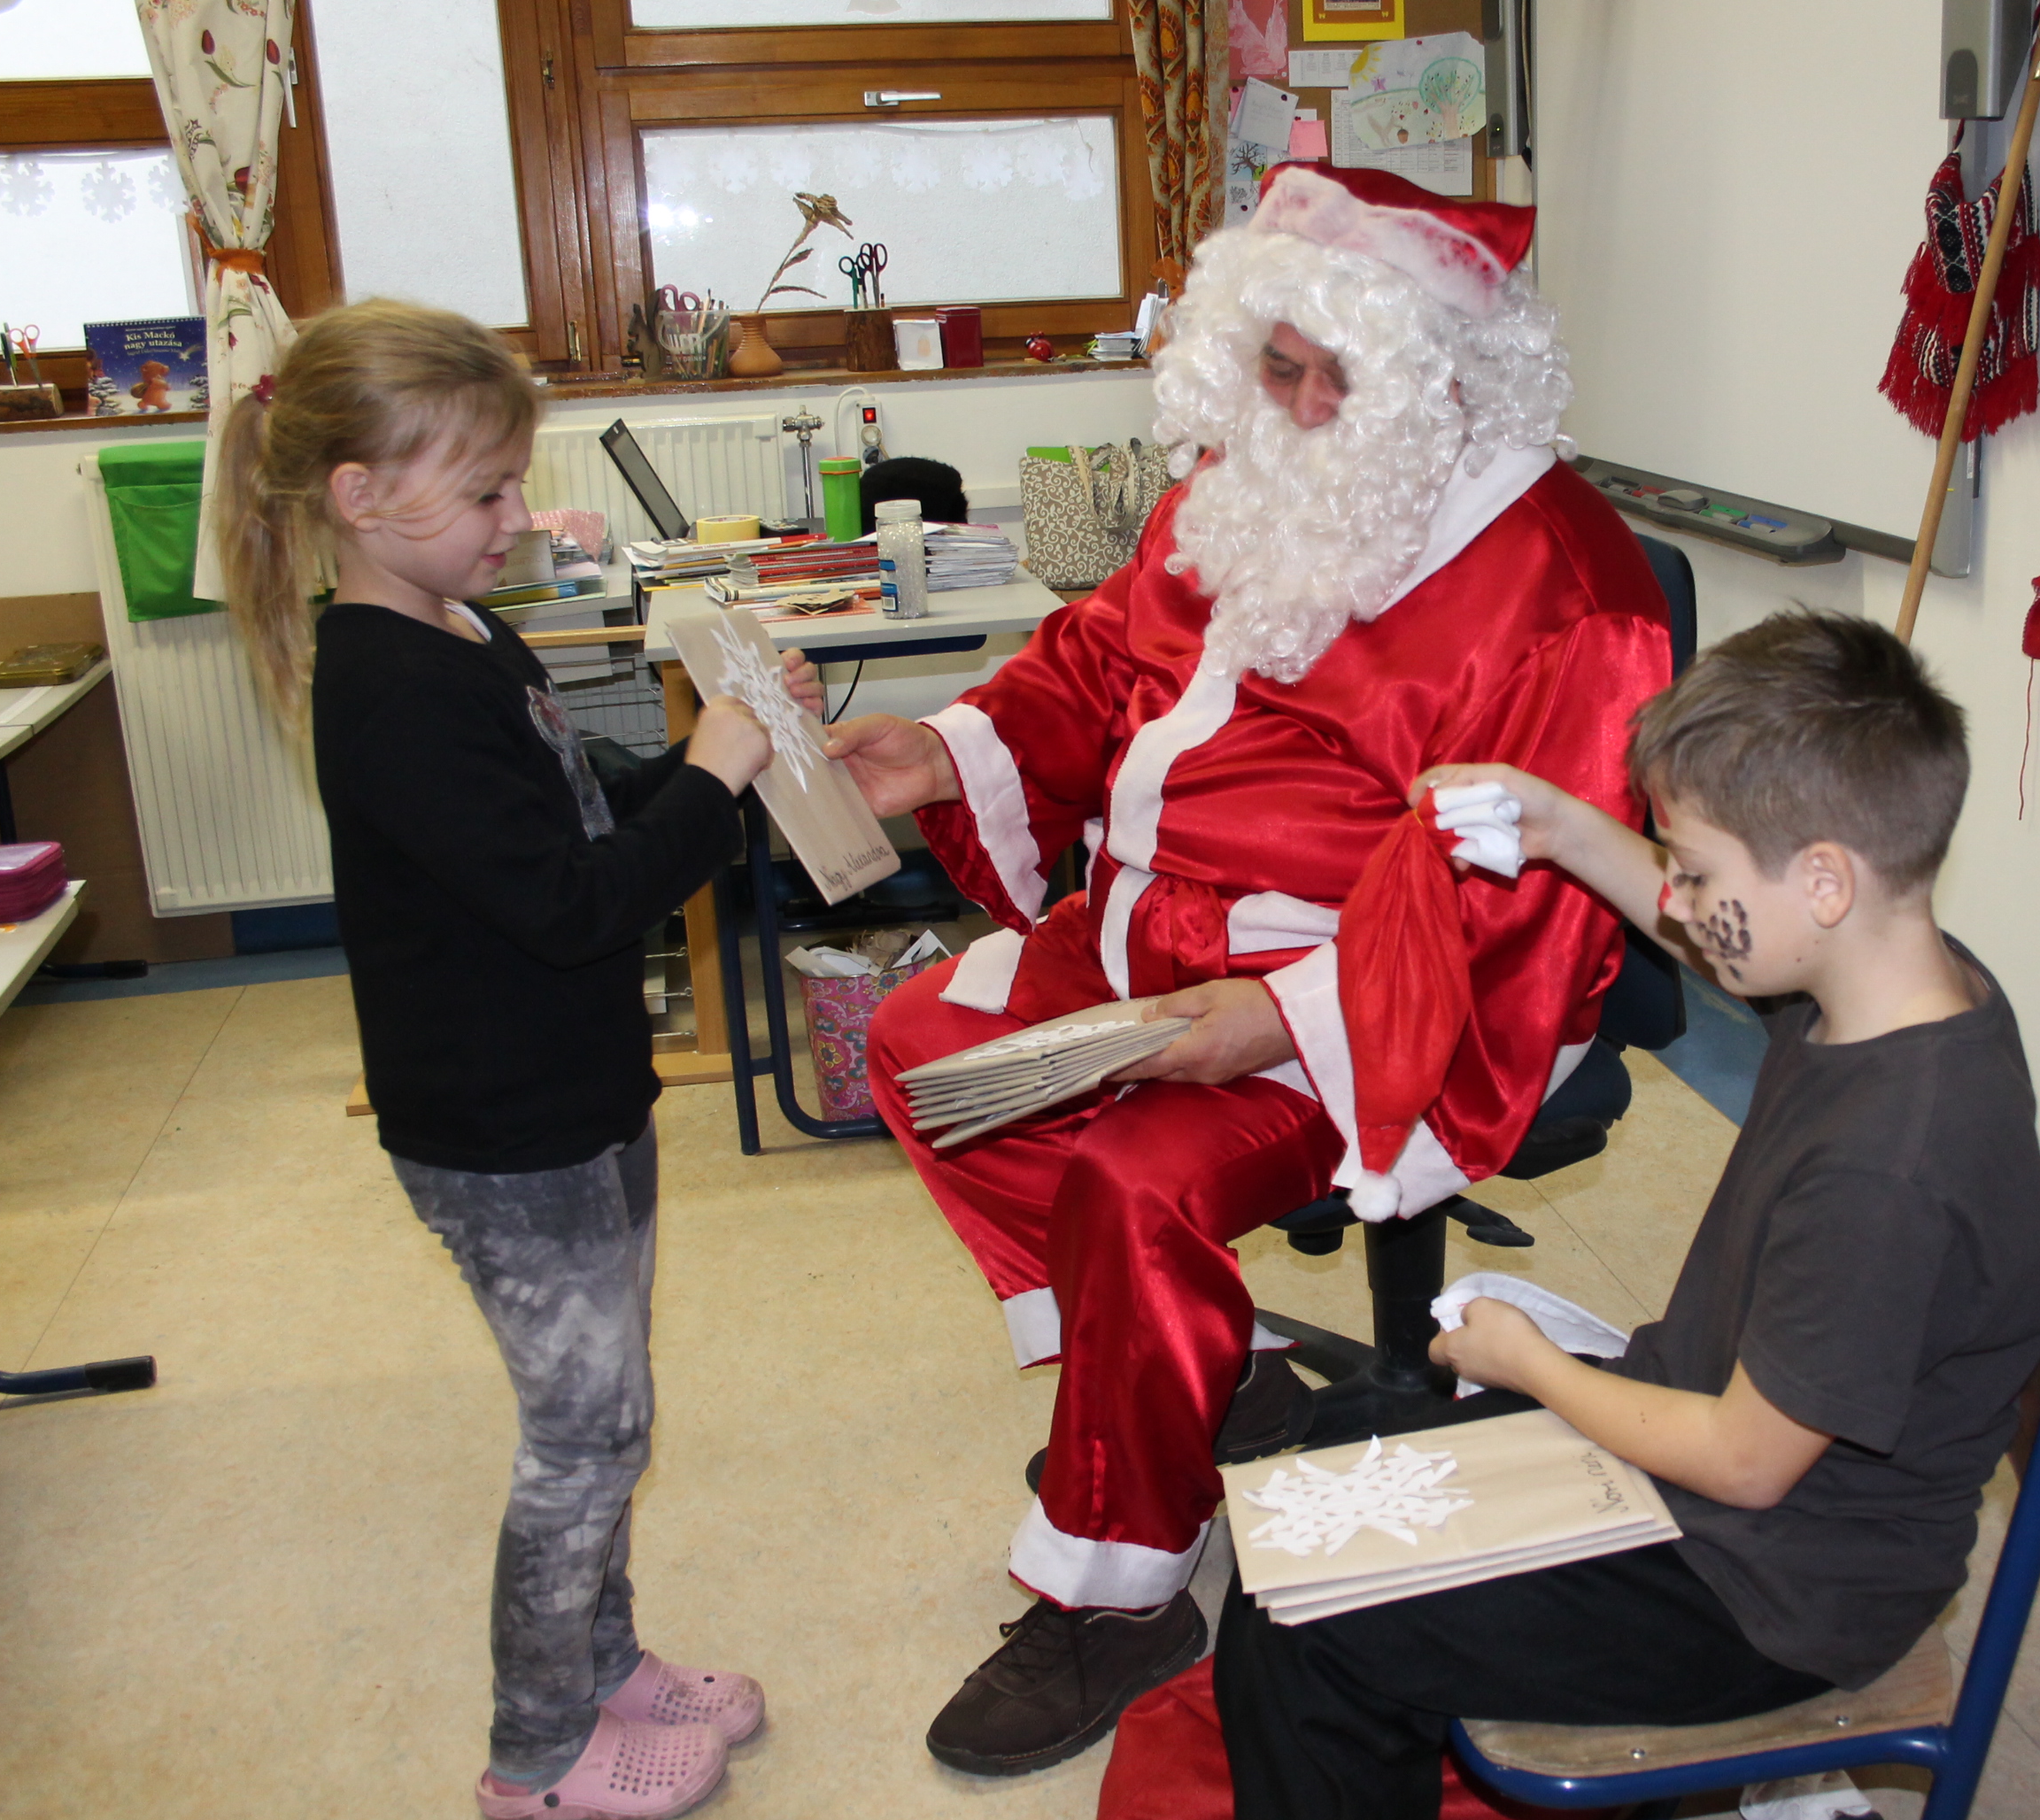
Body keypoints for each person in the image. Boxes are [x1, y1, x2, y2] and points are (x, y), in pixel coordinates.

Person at [815, 165, 1673, 1773]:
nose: (1295, 408)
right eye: (1272, 366)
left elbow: (1527, 903)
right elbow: (1102, 657)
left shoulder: (1568, 590)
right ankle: (1209, 1374)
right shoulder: (1242, 477)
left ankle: (1123, 1595)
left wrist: (1277, 1019)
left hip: (1377, 1003)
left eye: (1334, 375)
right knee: (925, 1048)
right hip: (1146, 945)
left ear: (1440, 371)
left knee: (1133, 1184)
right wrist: (945, 748)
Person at [1212, 611, 2040, 1818]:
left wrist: (1535, 1365)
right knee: (1343, 1462)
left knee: (1304, 1625)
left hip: (1762, 1593)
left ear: (1824, 881)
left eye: (1699, 872)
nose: (1684, 898)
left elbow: (1747, 1465)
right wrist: (1559, 829)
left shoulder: (1889, 1170)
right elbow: (1730, 943)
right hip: (1726, 1490)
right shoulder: (1896, 979)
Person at [217, 298, 789, 1820]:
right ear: (359, 496)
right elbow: (571, 905)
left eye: (514, 482)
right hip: (499, 1133)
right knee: (584, 1441)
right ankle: (536, 1757)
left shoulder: (463, 629)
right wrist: (713, 782)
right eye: (484, 492)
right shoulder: (382, 686)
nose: (517, 517)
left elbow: (575, 808)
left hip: (578, 1098)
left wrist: (702, 761)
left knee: (616, 1417)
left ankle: (602, 1667)